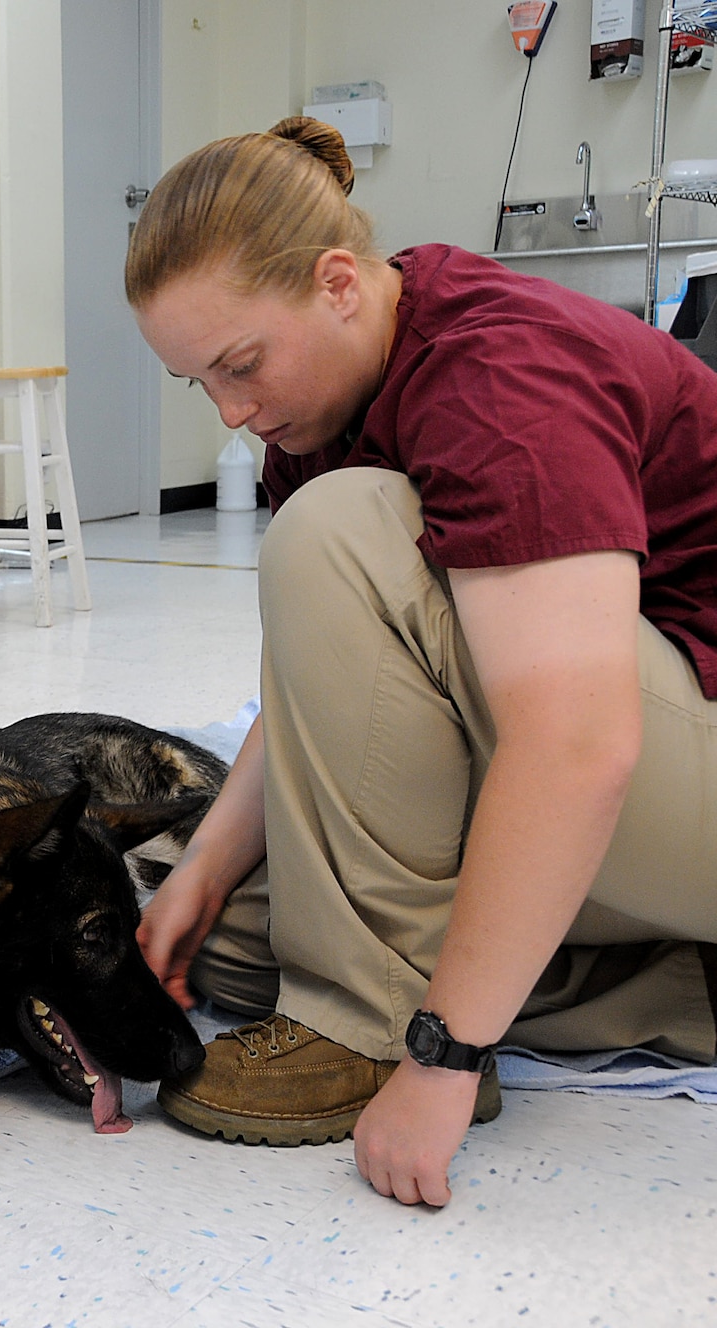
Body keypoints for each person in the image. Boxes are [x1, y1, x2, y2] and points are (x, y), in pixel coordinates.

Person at [125, 116, 717, 1209]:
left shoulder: (497, 381)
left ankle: (371, 1031)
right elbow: (322, 684)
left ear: (337, 284)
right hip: (654, 787)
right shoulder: (318, 411)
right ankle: (673, 981)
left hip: (683, 746)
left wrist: (439, 1055)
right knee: (242, 947)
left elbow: (576, 742)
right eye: (198, 383)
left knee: (341, 531)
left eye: (241, 364)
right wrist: (206, 867)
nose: (233, 411)